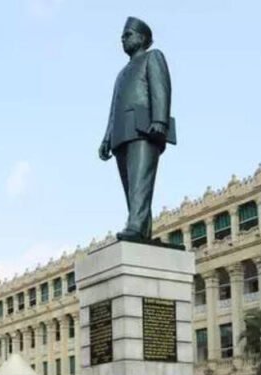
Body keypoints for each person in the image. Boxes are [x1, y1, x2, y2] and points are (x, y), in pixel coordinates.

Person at [99, 17, 176, 242]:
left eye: (128, 34)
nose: (123, 39)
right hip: (121, 134)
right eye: (122, 36)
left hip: (144, 129)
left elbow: (161, 89)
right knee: (132, 190)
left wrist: (160, 121)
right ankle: (142, 231)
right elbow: (114, 108)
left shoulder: (153, 57)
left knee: (141, 183)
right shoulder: (121, 74)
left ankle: (135, 226)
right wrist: (106, 137)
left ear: (143, 38)